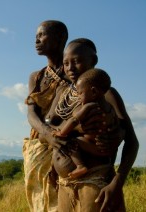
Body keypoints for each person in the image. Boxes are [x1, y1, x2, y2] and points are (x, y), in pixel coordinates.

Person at [43, 38, 139, 212]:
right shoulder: (63, 92)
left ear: (93, 61)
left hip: (94, 182)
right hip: (65, 184)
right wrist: (67, 130)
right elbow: (45, 130)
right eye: (66, 63)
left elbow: (132, 141)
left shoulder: (105, 94)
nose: (70, 68)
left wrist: (117, 183)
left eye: (77, 61)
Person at [23, 20, 69, 212]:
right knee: (39, 199)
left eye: (42, 35)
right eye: (36, 36)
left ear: (59, 38)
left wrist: (55, 136)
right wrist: (46, 133)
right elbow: (31, 112)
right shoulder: (37, 76)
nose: (36, 40)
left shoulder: (73, 72)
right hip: (39, 143)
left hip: (64, 142)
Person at [50, 68, 119, 179]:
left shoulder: (88, 107)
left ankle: (80, 166)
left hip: (92, 145)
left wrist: (61, 133)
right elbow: (116, 125)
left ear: (93, 91)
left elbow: (73, 121)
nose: (79, 97)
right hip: (105, 150)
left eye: (80, 93)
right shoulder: (110, 108)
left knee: (72, 143)